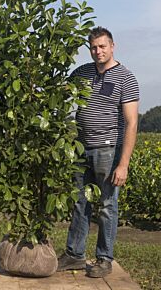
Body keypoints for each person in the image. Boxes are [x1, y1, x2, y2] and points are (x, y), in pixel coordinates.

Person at [57, 26, 139, 277]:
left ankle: (104, 258)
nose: (98, 51)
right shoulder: (81, 73)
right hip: (80, 148)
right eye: (93, 47)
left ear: (112, 46)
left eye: (102, 46)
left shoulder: (126, 78)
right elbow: (59, 95)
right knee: (80, 202)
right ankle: (75, 254)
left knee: (106, 205)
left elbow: (132, 123)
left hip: (107, 150)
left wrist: (123, 164)